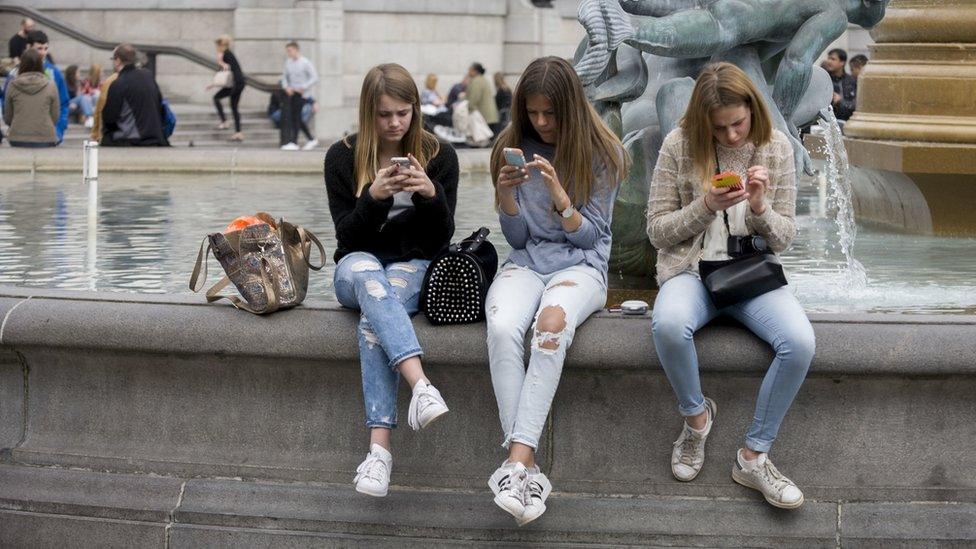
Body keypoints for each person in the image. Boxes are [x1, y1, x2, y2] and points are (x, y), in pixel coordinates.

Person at [646, 62, 815, 509]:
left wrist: (759, 206)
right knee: (668, 325)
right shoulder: (678, 145)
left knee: (799, 342)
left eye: (738, 124)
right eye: (719, 128)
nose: (733, 136)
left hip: (751, 274)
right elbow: (657, 232)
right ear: (702, 123)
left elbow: (785, 239)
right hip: (690, 272)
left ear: (752, 111)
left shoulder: (775, 147)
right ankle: (697, 418)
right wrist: (705, 205)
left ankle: (754, 456)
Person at [485, 56, 627, 525]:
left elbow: (592, 238)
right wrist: (507, 197)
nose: (541, 123)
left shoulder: (603, 153)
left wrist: (563, 199)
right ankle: (526, 471)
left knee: (549, 327)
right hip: (527, 262)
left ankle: (516, 463)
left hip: (582, 266)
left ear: (571, 109)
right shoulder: (512, 148)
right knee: (503, 325)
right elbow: (520, 240)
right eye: (533, 114)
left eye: (551, 114)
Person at [324, 63, 459, 498]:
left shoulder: (440, 155)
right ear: (369, 113)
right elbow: (346, 237)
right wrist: (375, 198)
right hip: (357, 265)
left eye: (403, 113)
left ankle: (378, 453)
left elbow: (440, 238)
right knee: (368, 276)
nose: (395, 123)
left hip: (412, 265)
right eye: (385, 115)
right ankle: (420, 385)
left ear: (416, 110)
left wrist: (429, 195)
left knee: (374, 318)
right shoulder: (342, 157)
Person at [4, 30, 69, 143]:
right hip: (21, 133)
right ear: (28, 47)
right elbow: (6, 104)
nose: (43, 53)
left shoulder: (54, 73)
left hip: (48, 134)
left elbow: (63, 104)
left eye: (45, 48)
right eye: (39, 48)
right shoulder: (14, 75)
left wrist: (58, 130)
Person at [100, 44, 169, 147]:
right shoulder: (148, 76)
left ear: (118, 60)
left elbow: (109, 118)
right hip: (157, 138)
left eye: (113, 59)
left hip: (133, 140)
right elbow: (160, 106)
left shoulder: (118, 83)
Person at [3, 48, 59, 147]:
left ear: (22, 64)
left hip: (17, 137)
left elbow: (7, 117)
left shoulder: (12, 85)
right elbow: (55, 116)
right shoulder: (51, 85)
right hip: (45, 137)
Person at [279, 41, 319, 151]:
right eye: (287, 51)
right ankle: (311, 139)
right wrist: (286, 87)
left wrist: (304, 87)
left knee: (296, 117)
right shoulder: (288, 63)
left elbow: (315, 77)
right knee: (296, 118)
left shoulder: (305, 62)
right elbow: (284, 77)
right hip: (292, 93)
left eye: (290, 50)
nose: (288, 53)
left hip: (302, 94)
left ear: (296, 50)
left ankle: (294, 142)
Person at [207, 35, 245, 142]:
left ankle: (225, 122)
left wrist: (220, 61)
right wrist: (214, 84)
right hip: (238, 83)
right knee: (234, 107)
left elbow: (226, 69)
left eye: (217, 46)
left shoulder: (226, 54)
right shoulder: (229, 53)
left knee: (217, 98)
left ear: (220, 45)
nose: (216, 48)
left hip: (235, 84)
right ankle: (238, 133)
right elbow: (226, 73)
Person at [465, 62, 500, 135]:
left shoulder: (476, 81)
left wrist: (468, 108)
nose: (468, 71)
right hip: (489, 115)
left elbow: (474, 98)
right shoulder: (483, 79)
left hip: (483, 116)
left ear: (475, 71)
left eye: (470, 70)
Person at [823, 48, 857, 121]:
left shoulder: (851, 81)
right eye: (828, 58)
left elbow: (856, 105)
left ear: (842, 62)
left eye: (833, 59)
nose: (829, 61)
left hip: (847, 122)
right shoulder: (823, 79)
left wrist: (840, 101)